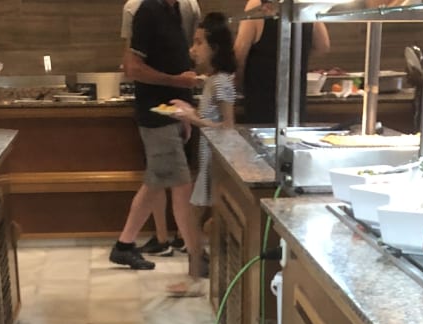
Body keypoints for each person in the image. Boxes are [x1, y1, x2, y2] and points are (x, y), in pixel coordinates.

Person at [110, 0, 201, 273]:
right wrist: (177, 82)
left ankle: (124, 246)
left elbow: (174, 61)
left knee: (156, 181)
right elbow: (132, 68)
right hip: (157, 114)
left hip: (172, 114)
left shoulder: (175, 10)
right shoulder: (148, 11)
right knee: (181, 185)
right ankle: (197, 256)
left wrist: (185, 112)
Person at [166, 10, 235, 298]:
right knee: (194, 218)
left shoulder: (221, 82)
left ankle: (197, 278)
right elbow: (213, 119)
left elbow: (228, 127)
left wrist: (193, 119)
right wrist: (191, 112)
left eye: (198, 43)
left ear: (214, 48)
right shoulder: (212, 80)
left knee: (195, 219)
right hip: (208, 160)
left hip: (216, 164)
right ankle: (196, 276)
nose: (192, 50)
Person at [235, 0, 329, 128]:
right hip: (295, 99)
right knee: (292, 136)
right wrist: (295, 56)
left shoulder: (257, 3)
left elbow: (239, 53)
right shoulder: (305, 3)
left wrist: (238, 85)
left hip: (261, 97)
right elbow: (323, 46)